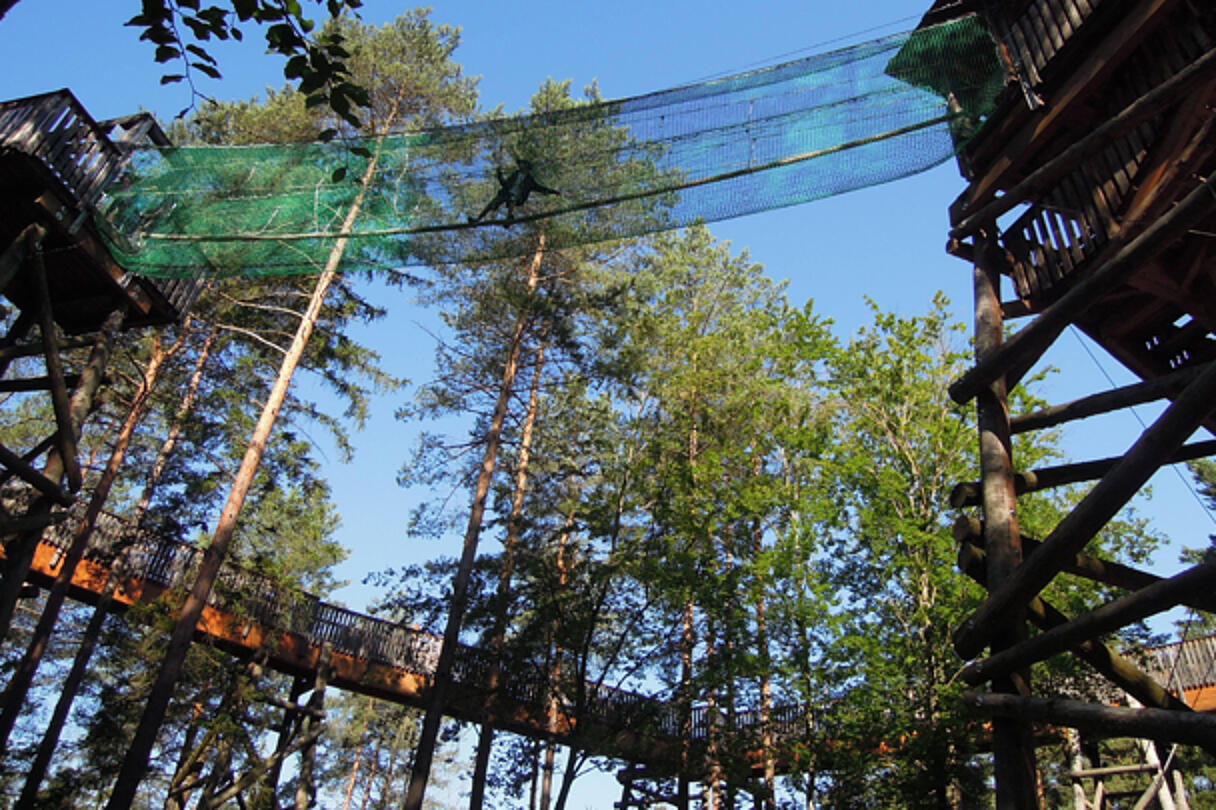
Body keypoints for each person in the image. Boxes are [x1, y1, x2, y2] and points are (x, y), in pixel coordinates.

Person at [469, 159, 560, 224]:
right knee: (491, 205)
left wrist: (553, 192)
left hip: (516, 196)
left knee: (513, 199)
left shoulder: (529, 180)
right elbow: (504, 183)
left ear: (526, 167)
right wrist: (499, 175)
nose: (520, 165)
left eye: (522, 164)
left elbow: (540, 188)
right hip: (505, 193)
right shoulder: (515, 174)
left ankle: (508, 218)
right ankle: (477, 219)